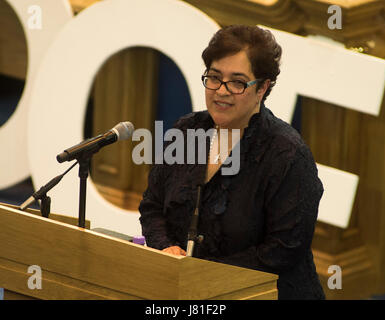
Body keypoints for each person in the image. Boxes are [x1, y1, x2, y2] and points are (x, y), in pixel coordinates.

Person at [139, 25, 325, 300]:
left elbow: (284, 248)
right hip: (187, 291)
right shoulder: (186, 131)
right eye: (214, 77)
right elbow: (152, 205)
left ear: (262, 88)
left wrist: (204, 274)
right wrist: (165, 246)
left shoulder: (287, 154)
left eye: (237, 82)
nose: (221, 91)